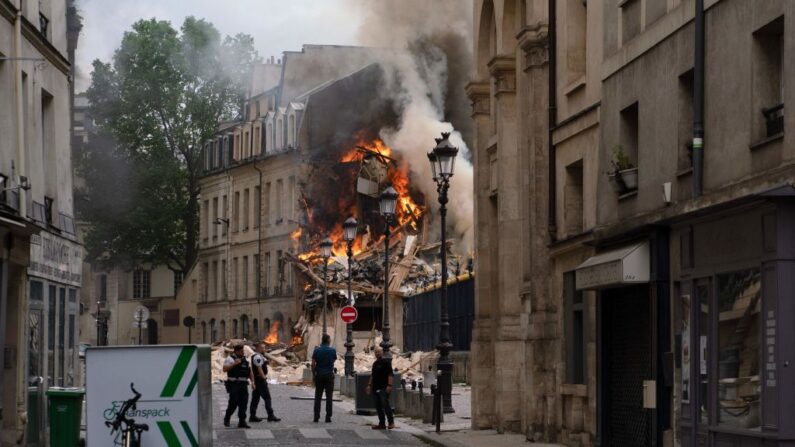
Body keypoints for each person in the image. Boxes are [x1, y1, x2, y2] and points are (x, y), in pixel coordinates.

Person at [249, 341, 281, 423]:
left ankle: (252, 416)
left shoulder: (259, 356)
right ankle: (270, 415)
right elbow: (259, 368)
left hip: (257, 380)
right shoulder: (257, 357)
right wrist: (264, 377)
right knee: (267, 398)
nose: (264, 349)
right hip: (260, 380)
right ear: (258, 348)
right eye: (262, 347)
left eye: (264, 347)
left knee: (255, 398)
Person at [223, 344, 252, 428]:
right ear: (236, 351)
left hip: (243, 384)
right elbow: (224, 369)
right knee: (233, 402)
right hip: (234, 384)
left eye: (243, 351)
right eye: (241, 351)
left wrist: (253, 382)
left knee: (244, 403)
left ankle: (242, 421)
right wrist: (234, 364)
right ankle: (227, 418)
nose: (243, 352)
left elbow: (249, 372)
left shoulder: (245, 360)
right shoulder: (230, 359)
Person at [366, 346, 395, 429]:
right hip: (375, 387)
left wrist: (389, 385)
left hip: (383, 387)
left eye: (379, 351)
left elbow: (390, 374)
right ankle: (381, 423)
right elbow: (372, 375)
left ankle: (391, 422)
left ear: (382, 352)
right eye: (376, 352)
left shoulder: (386, 362)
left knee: (385, 405)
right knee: (378, 406)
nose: (377, 353)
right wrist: (369, 385)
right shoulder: (375, 364)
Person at [311, 333, 336, 423]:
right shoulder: (333, 350)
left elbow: (313, 364)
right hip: (329, 375)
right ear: (328, 340)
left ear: (322, 340)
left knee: (318, 397)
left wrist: (314, 375)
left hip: (319, 375)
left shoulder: (316, 350)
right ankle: (328, 417)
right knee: (329, 397)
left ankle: (316, 417)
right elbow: (333, 361)